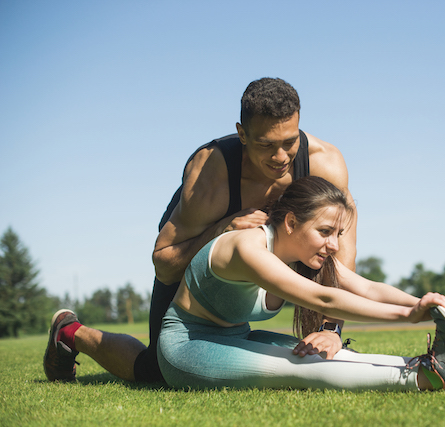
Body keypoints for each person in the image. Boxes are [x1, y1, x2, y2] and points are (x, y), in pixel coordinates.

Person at [44, 78, 357, 383]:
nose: (280, 157)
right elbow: (164, 263)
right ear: (242, 135)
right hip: (197, 249)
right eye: (266, 145)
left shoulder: (325, 164)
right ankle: (70, 332)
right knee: (158, 370)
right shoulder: (212, 174)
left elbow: (341, 253)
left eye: (290, 142)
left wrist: (331, 329)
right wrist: (220, 230)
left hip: (260, 260)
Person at [157, 176, 445, 391]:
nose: (333, 245)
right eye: (325, 232)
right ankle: (431, 377)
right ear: (291, 222)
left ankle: (437, 363)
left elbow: (366, 288)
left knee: (336, 355)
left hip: (237, 335)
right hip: (188, 347)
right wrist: (411, 315)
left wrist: (435, 304)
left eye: (338, 234)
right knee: (303, 368)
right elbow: (324, 299)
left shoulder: (303, 256)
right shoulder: (247, 246)